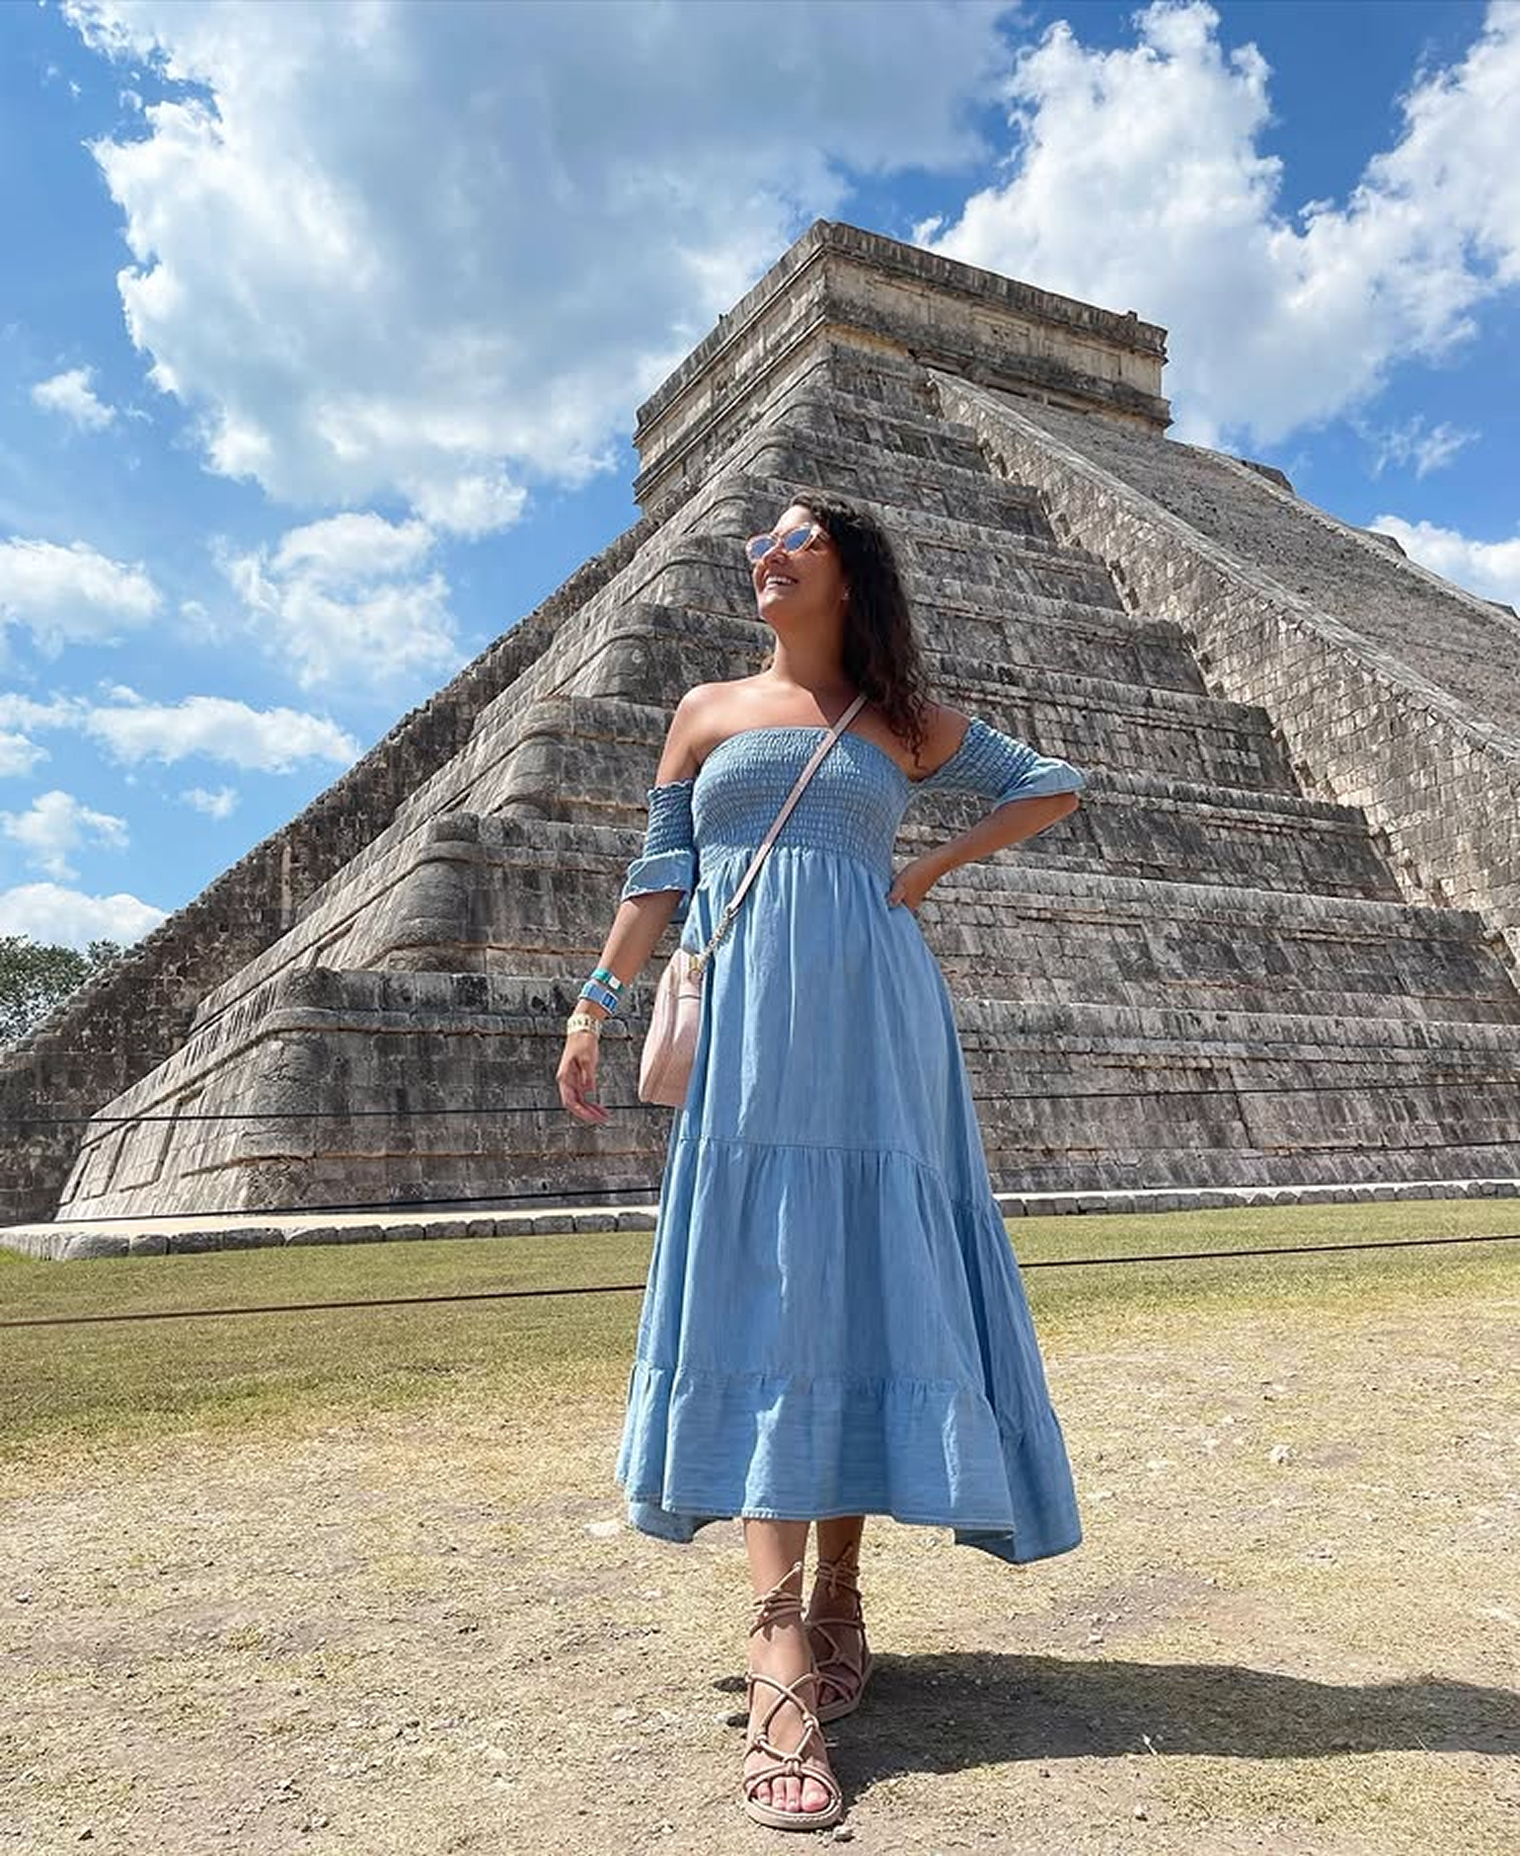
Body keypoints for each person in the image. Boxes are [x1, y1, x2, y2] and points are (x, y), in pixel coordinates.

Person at [556, 490, 1086, 1833]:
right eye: (761, 541)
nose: (765, 554)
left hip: (873, 1014)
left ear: (850, 573)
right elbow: (654, 880)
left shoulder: (901, 719)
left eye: (795, 541)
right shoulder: (704, 709)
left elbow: (1048, 788)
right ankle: (778, 1633)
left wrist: (922, 876)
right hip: (743, 1025)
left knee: (851, 1276)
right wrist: (593, 1006)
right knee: (766, 1282)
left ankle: (842, 1592)